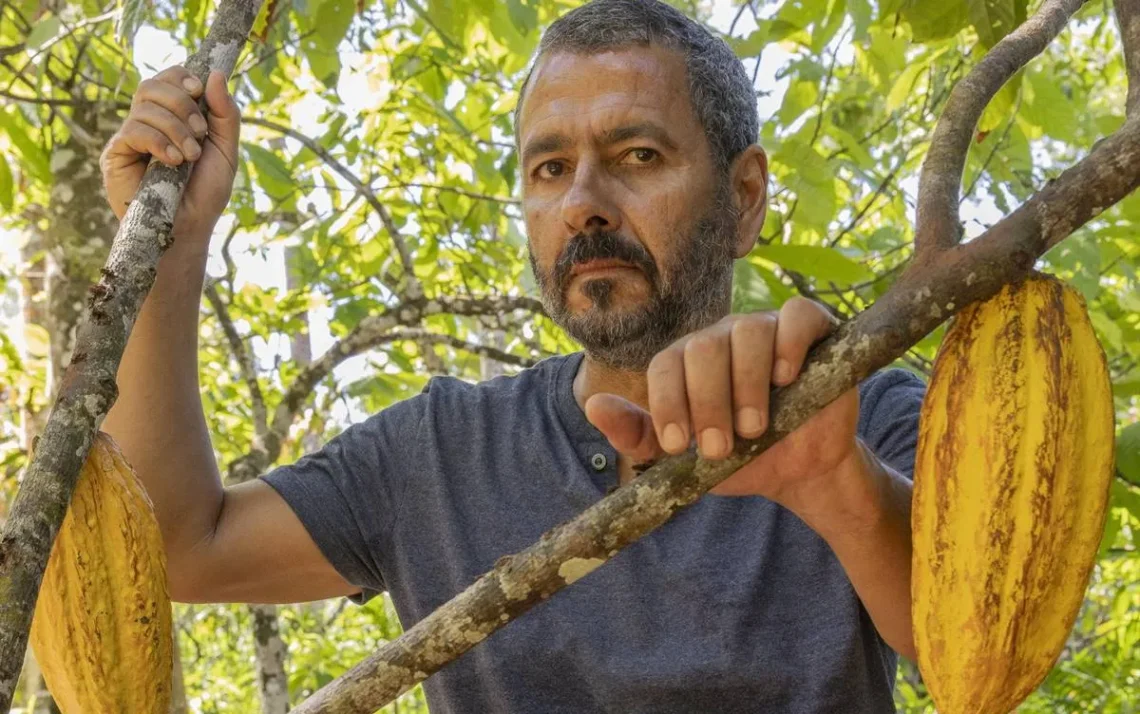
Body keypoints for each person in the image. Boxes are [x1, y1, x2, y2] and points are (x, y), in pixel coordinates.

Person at [100, 0, 926, 711]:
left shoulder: (857, 415)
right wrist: (170, 246)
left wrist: (834, 485)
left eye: (639, 156)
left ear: (744, 198)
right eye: (551, 168)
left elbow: (980, 626)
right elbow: (178, 545)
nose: (583, 206)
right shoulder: (437, 455)